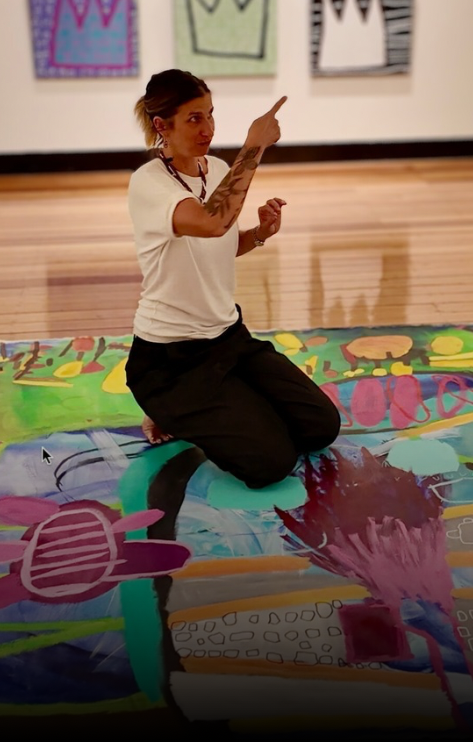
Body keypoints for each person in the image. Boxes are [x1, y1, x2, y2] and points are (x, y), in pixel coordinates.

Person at [123, 69, 341, 488]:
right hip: (170, 360)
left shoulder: (219, 168)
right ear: (160, 126)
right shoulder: (147, 184)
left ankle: (227, 402)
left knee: (320, 426)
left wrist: (258, 235)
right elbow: (210, 223)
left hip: (229, 339)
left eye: (210, 115)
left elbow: (217, 243)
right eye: (193, 119)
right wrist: (255, 147)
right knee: (270, 463)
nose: (207, 128)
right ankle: (164, 406)